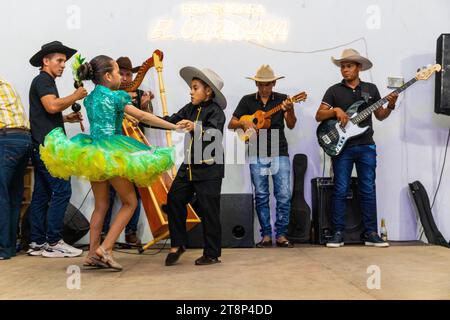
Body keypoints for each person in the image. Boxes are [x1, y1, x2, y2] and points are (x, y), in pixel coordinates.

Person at [39, 54, 182, 270]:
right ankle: (105, 249)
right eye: (117, 72)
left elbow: (107, 118)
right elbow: (144, 117)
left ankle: (91, 254)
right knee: (130, 202)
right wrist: (174, 126)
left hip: (93, 151)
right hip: (113, 151)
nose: (121, 78)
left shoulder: (91, 98)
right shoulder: (117, 97)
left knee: (101, 205)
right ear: (107, 76)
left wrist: (125, 117)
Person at [315, 48, 398, 248]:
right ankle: (337, 233)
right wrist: (335, 110)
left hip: (366, 145)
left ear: (358, 67)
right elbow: (319, 115)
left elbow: (380, 116)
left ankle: (370, 233)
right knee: (340, 189)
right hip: (342, 147)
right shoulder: (333, 90)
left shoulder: (371, 89)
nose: (345, 70)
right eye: (342, 66)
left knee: (368, 188)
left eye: (349, 66)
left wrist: (391, 105)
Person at [27, 41, 87, 258]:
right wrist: (75, 96)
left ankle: (36, 242)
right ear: (46, 61)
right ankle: (54, 242)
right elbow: (51, 106)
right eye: (59, 60)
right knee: (62, 190)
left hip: (41, 145)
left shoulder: (44, 81)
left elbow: (45, 113)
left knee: (42, 194)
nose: (63, 65)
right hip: (48, 147)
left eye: (64, 61)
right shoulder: (44, 80)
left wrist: (66, 118)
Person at [163, 67, 226, 266]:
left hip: (209, 168)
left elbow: (215, 134)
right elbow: (170, 121)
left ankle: (212, 253)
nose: (191, 91)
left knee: (209, 211)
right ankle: (178, 244)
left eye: (195, 88)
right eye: (191, 88)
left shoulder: (216, 111)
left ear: (208, 91)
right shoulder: (189, 108)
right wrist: (142, 119)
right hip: (189, 165)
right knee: (174, 198)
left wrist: (195, 127)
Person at [228, 65, 297, 248]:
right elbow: (231, 124)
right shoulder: (247, 100)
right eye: (260, 84)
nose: (264, 88)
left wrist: (289, 110)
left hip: (279, 149)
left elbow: (291, 124)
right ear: (256, 83)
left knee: (283, 194)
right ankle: (266, 235)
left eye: (267, 84)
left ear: (274, 83)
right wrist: (244, 122)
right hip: (256, 150)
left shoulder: (283, 100)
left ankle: (281, 234)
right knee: (261, 195)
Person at [101, 56, 155, 246]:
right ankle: (104, 234)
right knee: (109, 193)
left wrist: (145, 105)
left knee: (136, 192)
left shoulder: (140, 94)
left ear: (133, 76)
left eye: (128, 74)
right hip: (113, 148)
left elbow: (148, 119)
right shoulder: (108, 92)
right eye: (121, 73)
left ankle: (131, 233)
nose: (124, 78)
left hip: (133, 148)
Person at [0, 76, 32, 260]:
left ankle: (3, 249)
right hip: (24, 140)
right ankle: (9, 247)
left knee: (2, 195)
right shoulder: (7, 83)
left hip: (7, 140)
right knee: (13, 196)